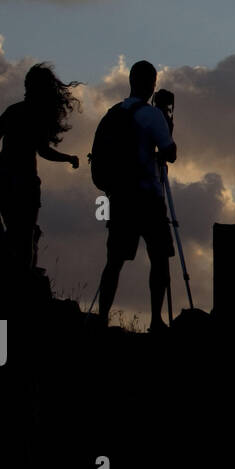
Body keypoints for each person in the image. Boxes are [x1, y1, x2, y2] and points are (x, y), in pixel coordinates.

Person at [0, 63, 82, 275]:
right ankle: (23, 279)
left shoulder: (14, 111)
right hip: (22, 181)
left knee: (17, 231)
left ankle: (15, 273)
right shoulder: (38, 117)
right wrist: (68, 158)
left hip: (3, 178)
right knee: (24, 234)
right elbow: (44, 152)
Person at [94, 61, 177, 330]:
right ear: (152, 84)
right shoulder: (152, 115)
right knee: (160, 258)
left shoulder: (113, 113)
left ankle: (102, 317)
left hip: (120, 197)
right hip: (147, 197)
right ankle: (155, 320)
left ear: (130, 80)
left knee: (113, 262)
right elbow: (170, 153)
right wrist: (166, 118)